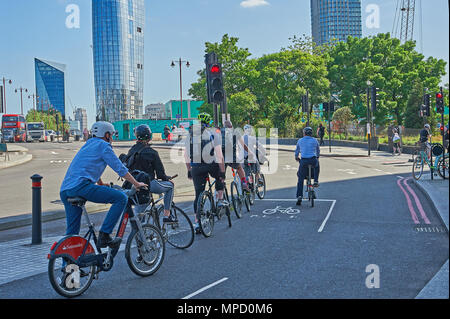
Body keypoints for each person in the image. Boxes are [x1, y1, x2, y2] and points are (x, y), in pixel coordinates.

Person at [60, 121, 147, 248]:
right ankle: (104, 235)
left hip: (65, 190)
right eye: (111, 135)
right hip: (81, 187)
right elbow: (120, 169)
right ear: (106, 135)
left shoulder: (88, 144)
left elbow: (87, 166)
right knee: (121, 198)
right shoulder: (104, 145)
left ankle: (68, 264)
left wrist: (100, 183)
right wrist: (136, 183)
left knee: (72, 232)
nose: (112, 138)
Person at [184, 113, 228, 233]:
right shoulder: (213, 133)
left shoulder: (191, 135)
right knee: (219, 178)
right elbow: (220, 156)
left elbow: (186, 155)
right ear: (209, 123)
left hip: (196, 167)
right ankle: (219, 201)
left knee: (198, 194)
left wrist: (189, 170)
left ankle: (197, 223)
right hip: (211, 164)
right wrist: (222, 172)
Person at [125, 124, 176, 223]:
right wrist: (168, 178)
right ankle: (167, 215)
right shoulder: (152, 152)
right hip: (149, 184)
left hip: (135, 186)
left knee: (140, 218)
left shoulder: (131, 150)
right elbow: (161, 175)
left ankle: (140, 235)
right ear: (149, 136)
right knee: (170, 186)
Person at [295, 126, 320, 206]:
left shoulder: (300, 140)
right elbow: (318, 150)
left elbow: (297, 151)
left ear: (304, 133)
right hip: (312, 159)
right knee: (317, 165)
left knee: (300, 178)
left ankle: (299, 196)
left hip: (304, 160)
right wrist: (317, 156)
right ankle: (315, 181)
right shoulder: (315, 140)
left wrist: (296, 157)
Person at [242, 124, 266, 188]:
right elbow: (260, 147)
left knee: (244, 173)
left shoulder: (240, 138)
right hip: (251, 159)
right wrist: (264, 153)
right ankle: (259, 181)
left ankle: (245, 186)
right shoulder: (252, 138)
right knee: (257, 170)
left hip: (242, 160)